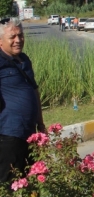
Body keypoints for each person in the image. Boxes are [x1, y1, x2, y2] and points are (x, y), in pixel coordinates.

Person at [0, 18, 45, 183]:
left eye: (20, 35)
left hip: (30, 133)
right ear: (0, 41)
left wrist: (40, 124)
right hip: (8, 136)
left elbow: (34, 91)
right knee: (10, 184)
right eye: (12, 37)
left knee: (31, 180)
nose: (18, 40)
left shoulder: (24, 59)